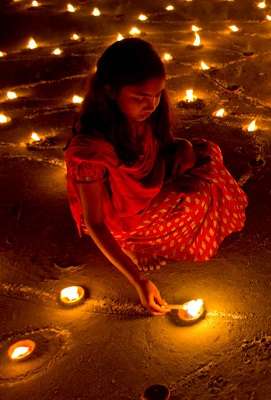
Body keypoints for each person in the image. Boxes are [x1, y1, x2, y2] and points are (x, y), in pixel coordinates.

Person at [64, 38, 248, 314]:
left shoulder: (143, 115)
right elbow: (96, 223)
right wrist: (140, 281)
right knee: (198, 197)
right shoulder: (89, 151)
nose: (151, 105)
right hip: (121, 219)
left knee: (203, 153)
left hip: (144, 190)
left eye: (157, 95)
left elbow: (159, 147)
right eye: (140, 98)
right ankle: (135, 243)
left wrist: (177, 157)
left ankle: (151, 227)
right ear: (111, 92)